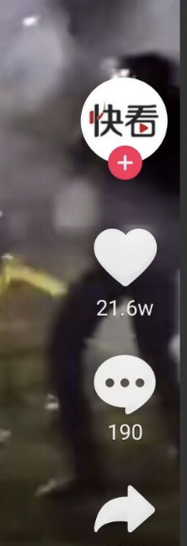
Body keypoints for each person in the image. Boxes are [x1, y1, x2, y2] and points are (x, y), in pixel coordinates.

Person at [41, 51, 180, 498]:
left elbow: (77, 157)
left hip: (124, 262)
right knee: (157, 355)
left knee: (65, 347)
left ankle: (87, 472)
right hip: (156, 260)